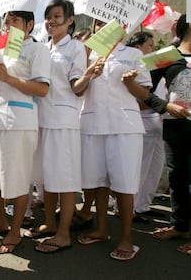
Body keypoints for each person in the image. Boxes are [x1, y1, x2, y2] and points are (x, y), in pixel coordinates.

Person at [24, 0, 102, 253]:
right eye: (48, 17)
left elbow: (77, 88)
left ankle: (64, 234)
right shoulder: (42, 47)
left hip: (62, 122)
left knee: (64, 180)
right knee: (46, 180)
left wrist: (89, 74)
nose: (51, 21)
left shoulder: (75, 48)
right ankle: (49, 223)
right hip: (40, 120)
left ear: (70, 21)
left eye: (57, 16)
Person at [0, 9, 50, 254]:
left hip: (19, 121)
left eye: (15, 21)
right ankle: (0, 221)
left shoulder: (37, 49)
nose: (9, 25)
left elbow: (41, 89)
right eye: (7, 21)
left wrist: (9, 79)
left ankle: (15, 231)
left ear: (30, 24)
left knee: (16, 178)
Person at [76, 19, 152, 261]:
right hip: (93, 124)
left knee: (124, 183)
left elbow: (145, 94)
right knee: (98, 180)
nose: (104, 28)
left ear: (122, 28)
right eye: (99, 23)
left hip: (124, 126)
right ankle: (101, 229)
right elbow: (76, 89)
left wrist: (129, 82)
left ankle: (127, 238)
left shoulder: (132, 54)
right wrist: (89, 74)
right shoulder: (86, 53)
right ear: (95, 27)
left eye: (110, 23)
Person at [145, 14, 191, 254]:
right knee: (178, 177)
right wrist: (164, 106)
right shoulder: (168, 56)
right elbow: (145, 89)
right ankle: (180, 226)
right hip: (174, 125)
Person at [125, 32, 165, 223]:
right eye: (150, 45)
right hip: (142, 120)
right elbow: (138, 97)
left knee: (154, 168)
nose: (153, 49)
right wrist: (159, 104)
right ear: (138, 46)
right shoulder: (133, 62)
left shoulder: (152, 65)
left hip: (158, 121)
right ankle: (128, 207)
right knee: (139, 167)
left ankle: (142, 205)